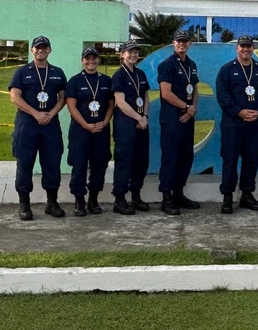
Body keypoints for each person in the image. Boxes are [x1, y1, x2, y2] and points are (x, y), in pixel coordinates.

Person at [8, 35, 68, 220]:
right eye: (37, 47)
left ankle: (52, 203)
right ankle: (24, 205)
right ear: (31, 50)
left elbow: (63, 98)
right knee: (24, 163)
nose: (41, 50)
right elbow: (15, 97)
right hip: (27, 124)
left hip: (50, 124)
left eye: (44, 47)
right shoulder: (22, 72)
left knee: (52, 163)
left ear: (49, 50)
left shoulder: (57, 72)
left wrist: (50, 114)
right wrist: (36, 113)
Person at [216, 35, 258, 214]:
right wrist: (239, 112)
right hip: (233, 124)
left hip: (254, 124)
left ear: (253, 49)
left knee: (251, 160)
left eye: (248, 46)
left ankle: (247, 195)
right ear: (237, 48)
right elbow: (223, 96)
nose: (245, 49)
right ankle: (227, 196)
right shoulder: (226, 70)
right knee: (230, 160)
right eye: (242, 46)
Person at [65, 47, 115, 216]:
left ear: (98, 60)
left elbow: (110, 105)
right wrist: (86, 125)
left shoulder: (106, 81)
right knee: (79, 165)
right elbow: (71, 106)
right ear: (82, 60)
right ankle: (79, 200)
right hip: (81, 130)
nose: (91, 61)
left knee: (99, 165)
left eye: (94, 58)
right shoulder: (75, 81)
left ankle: (93, 199)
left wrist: (105, 122)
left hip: (101, 129)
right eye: (87, 58)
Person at [157, 30, 200, 215]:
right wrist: (185, 106)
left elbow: (195, 89)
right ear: (173, 43)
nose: (182, 44)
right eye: (179, 41)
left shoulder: (191, 64)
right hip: (172, 119)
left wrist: (192, 109)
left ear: (189, 43)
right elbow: (166, 93)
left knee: (185, 157)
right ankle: (166, 198)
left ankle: (178, 193)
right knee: (170, 158)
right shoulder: (167, 65)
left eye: (185, 41)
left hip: (187, 118)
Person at [110, 40, 151, 215]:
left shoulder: (141, 74)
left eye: (135, 52)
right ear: (122, 54)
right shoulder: (118, 75)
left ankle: (136, 195)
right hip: (126, 122)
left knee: (141, 160)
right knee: (124, 160)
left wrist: (145, 117)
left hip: (141, 122)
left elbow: (146, 96)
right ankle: (119, 198)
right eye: (129, 52)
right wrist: (138, 118)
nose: (133, 55)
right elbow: (120, 102)